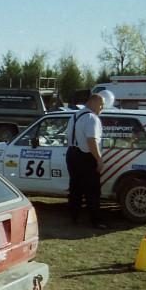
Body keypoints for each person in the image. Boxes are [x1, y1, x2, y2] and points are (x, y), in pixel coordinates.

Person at [66, 93, 106, 229]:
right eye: (101, 105)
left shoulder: (74, 115)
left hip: (72, 153)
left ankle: (73, 217)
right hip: (85, 156)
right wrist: (99, 159)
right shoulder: (91, 118)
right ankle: (96, 220)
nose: (102, 108)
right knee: (92, 190)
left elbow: (68, 136)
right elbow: (91, 141)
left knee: (75, 188)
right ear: (94, 102)